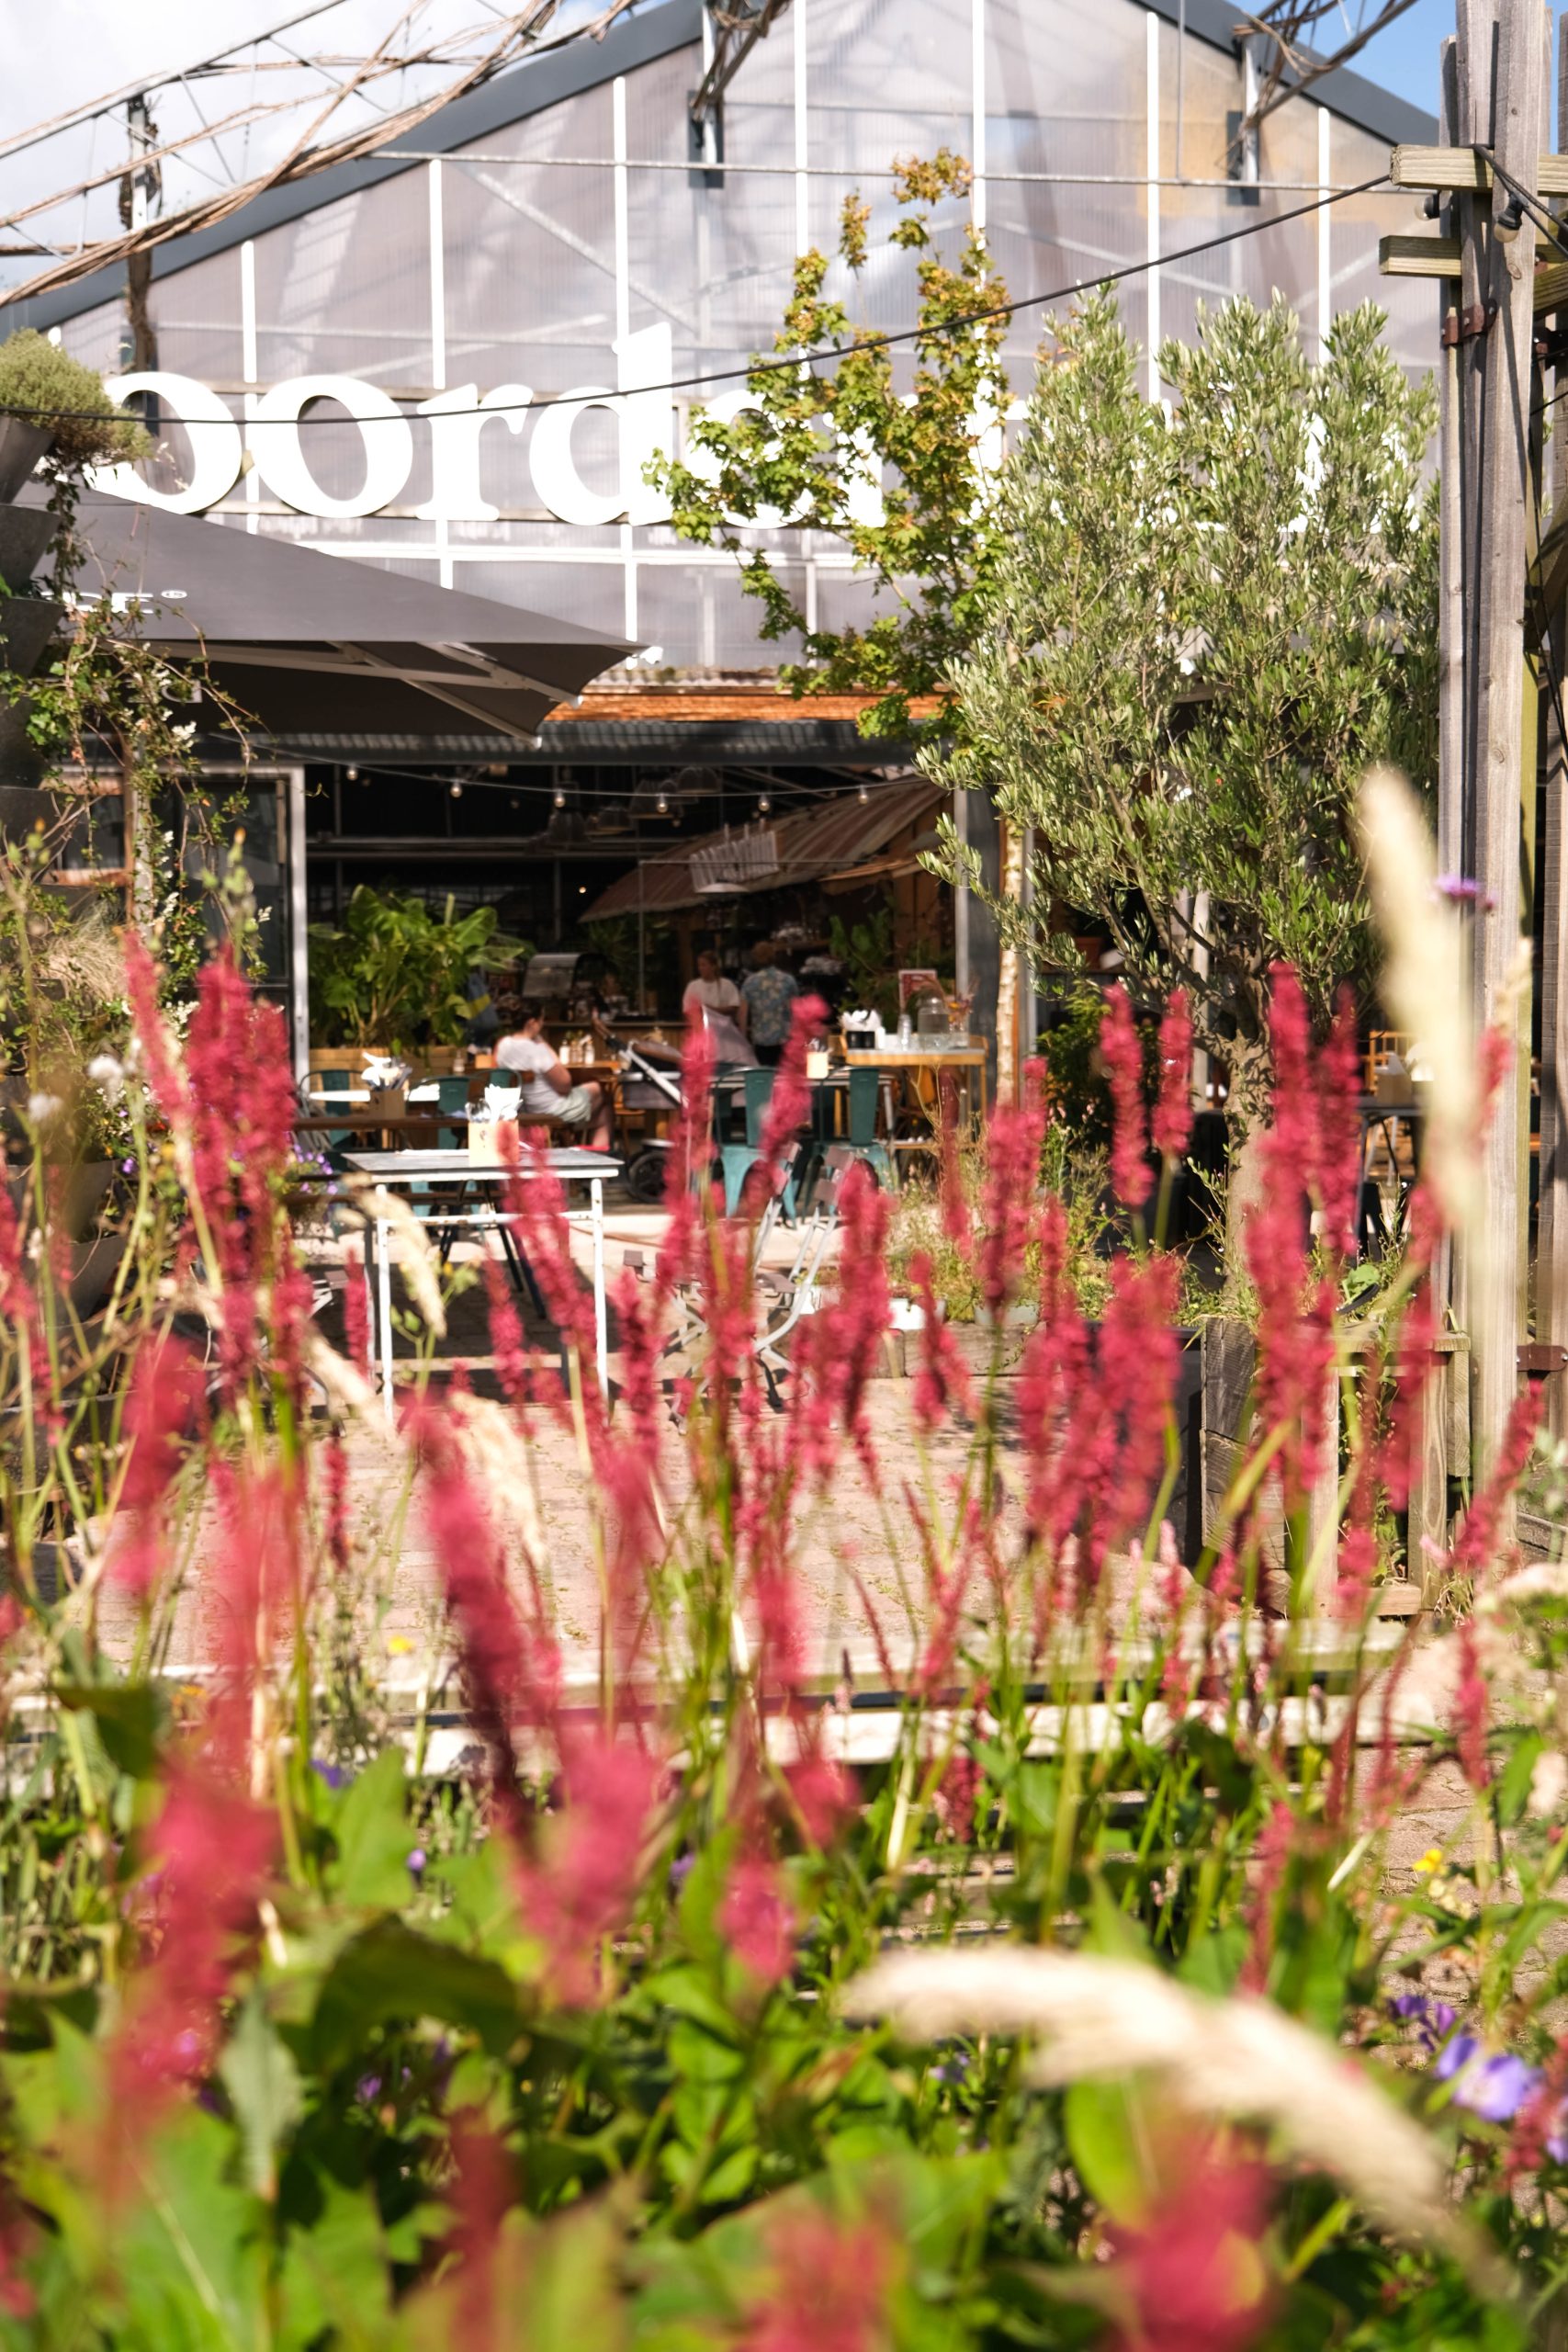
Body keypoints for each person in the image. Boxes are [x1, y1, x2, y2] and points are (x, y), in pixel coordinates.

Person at [493, 1001, 615, 1148]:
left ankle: (584, 1144)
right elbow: (565, 1085)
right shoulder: (537, 1050)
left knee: (605, 1111)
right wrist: (544, 1043)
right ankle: (597, 1155)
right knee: (602, 1092)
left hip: (523, 1108)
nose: (543, 1024)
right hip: (549, 1109)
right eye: (541, 1020)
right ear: (532, 1023)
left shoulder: (503, 1045)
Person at [682, 947, 756, 1067]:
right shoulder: (693, 986)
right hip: (702, 1034)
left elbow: (733, 1007)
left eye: (704, 965)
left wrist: (710, 1010)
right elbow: (687, 1011)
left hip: (725, 1036)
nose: (701, 968)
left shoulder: (727, 985)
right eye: (699, 965)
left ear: (713, 966)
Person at [739, 939, 798, 1067]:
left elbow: (743, 1014)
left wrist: (744, 1040)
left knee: (765, 1079)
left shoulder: (749, 982)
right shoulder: (787, 980)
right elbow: (796, 1011)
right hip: (785, 1038)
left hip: (761, 1041)